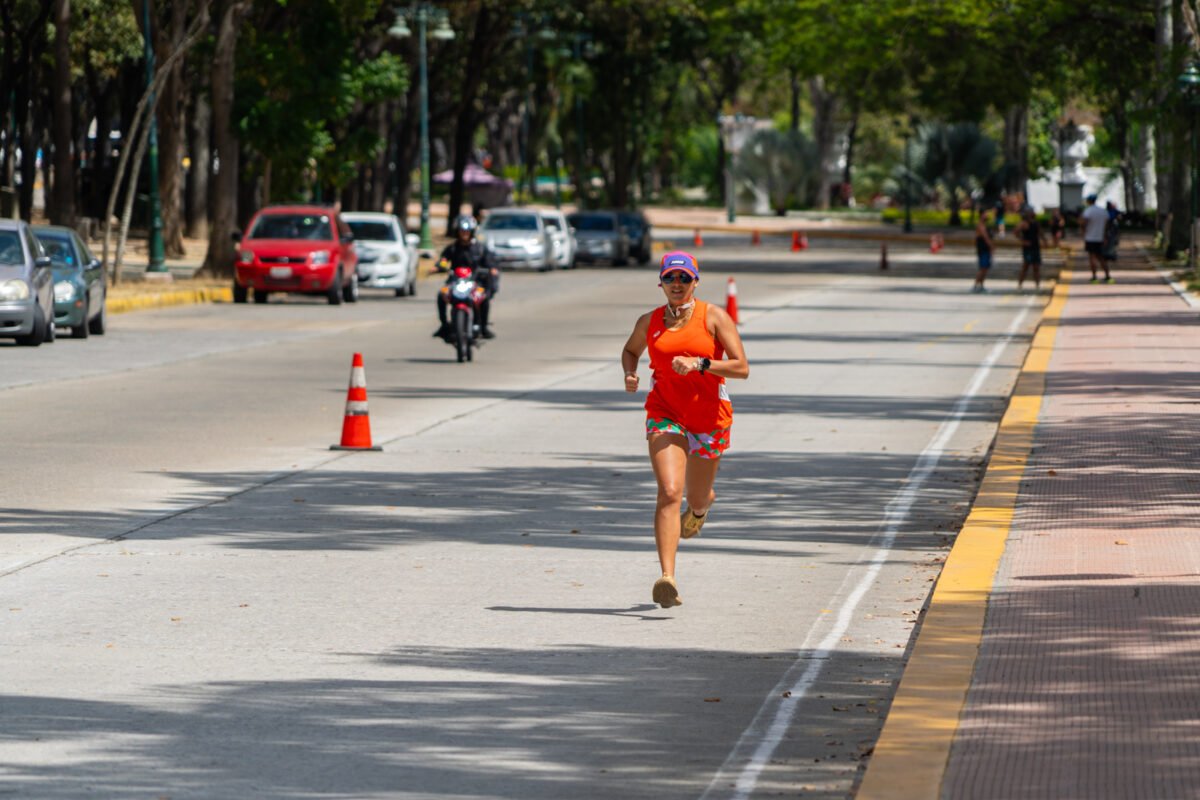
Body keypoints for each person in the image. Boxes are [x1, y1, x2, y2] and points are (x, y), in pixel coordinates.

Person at [620, 252, 749, 608]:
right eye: (669, 278)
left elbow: (741, 368)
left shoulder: (714, 317)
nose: (676, 285)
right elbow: (631, 351)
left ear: (695, 281)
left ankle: (701, 510)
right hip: (665, 413)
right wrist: (630, 373)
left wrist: (700, 364)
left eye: (684, 278)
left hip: (709, 418)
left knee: (696, 497)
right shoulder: (650, 321)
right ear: (660, 282)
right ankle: (667, 577)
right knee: (669, 491)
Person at [433, 214, 498, 340]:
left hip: (475, 283)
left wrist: (492, 269)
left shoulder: (479, 248)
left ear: (472, 232)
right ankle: (444, 325)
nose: (464, 234)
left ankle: (483, 327)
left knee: (483, 298)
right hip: (455, 282)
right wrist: (439, 266)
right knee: (441, 295)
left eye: (467, 232)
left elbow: (489, 261)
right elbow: (444, 260)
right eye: (462, 231)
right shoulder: (452, 248)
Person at [1079, 194, 1111, 283]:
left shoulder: (1088, 211)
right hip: (1100, 237)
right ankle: (1107, 275)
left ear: (1089, 201)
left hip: (1090, 237)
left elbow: (1083, 223)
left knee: (1092, 257)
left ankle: (1094, 277)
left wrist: (1083, 231)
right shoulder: (1103, 211)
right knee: (1101, 257)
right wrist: (1105, 235)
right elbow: (1107, 224)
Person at [1016, 208, 1048, 292]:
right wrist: (1023, 241)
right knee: (1026, 266)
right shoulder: (1024, 223)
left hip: (1035, 247)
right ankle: (1020, 284)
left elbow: (1040, 233)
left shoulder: (1036, 223)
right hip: (1028, 249)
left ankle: (1037, 285)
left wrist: (1045, 241)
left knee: (1036, 267)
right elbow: (1016, 232)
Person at [974, 209, 993, 293]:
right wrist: (991, 246)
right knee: (983, 268)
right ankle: (975, 286)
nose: (987, 215)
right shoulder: (980, 225)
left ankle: (981, 285)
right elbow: (985, 238)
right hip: (983, 250)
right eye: (986, 214)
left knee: (985, 268)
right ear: (981, 215)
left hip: (986, 250)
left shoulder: (985, 225)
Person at [1103, 201, 1121, 276]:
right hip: (1112, 229)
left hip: (1110, 229)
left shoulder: (1106, 211)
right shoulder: (1114, 211)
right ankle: (1111, 255)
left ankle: (1110, 255)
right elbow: (1120, 217)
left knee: (1110, 242)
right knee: (1113, 242)